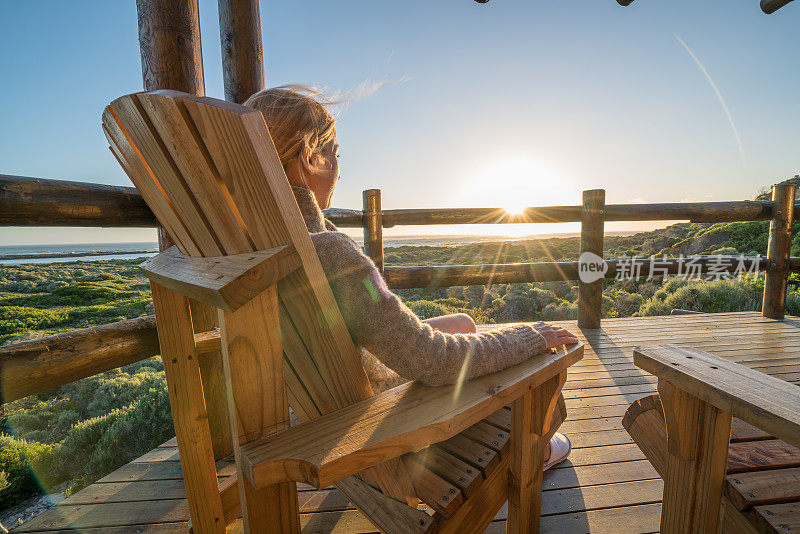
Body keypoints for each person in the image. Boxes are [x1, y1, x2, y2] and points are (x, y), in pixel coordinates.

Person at [244, 85, 580, 469]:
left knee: (464, 322)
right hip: (371, 417)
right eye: (334, 154)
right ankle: (528, 453)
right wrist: (529, 336)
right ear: (309, 156)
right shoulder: (331, 252)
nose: (339, 168)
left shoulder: (255, 239)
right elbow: (434, 360)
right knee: (540, 359)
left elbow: (380, 315)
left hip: (322, 396)